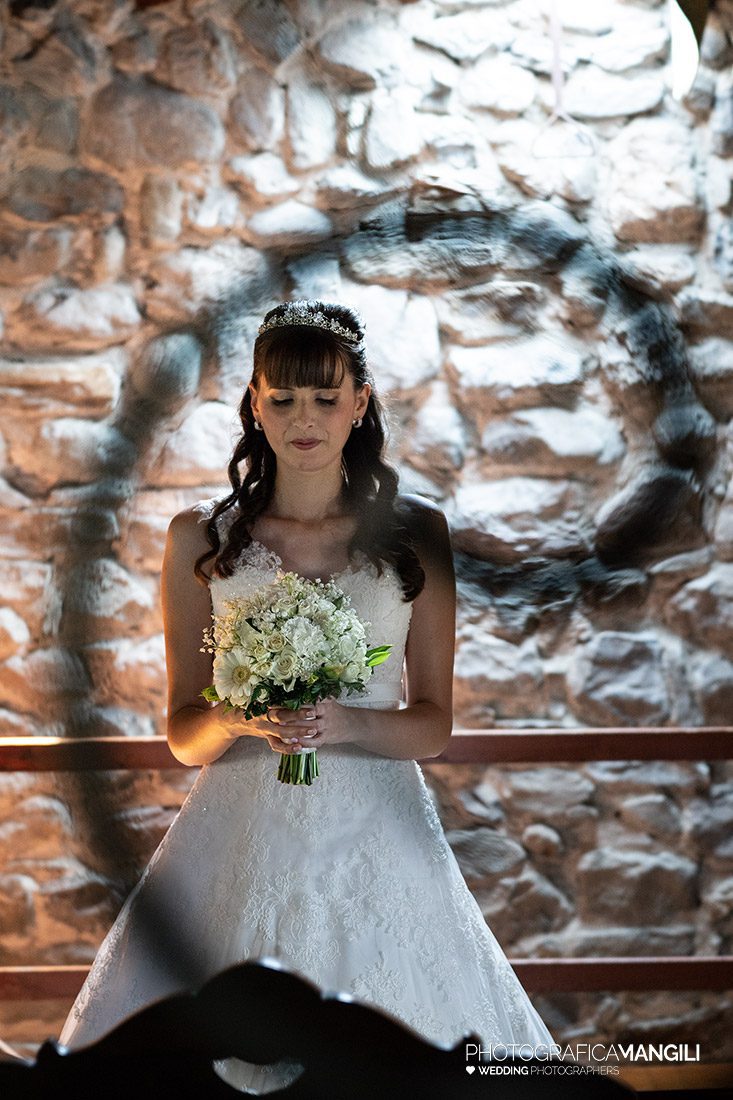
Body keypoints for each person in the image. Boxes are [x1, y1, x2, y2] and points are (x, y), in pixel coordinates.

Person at [58, 299, 554, 1093]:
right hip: (238, 825)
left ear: (360, 402)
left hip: (378, 825)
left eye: (325, 398)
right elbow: (183, 734)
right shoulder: (203, 537)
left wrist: (345, 719)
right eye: (282, 398)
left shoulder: (416, 532)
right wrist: (239, 715)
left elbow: (432, 725)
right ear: (254, 402)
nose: (304, 418)